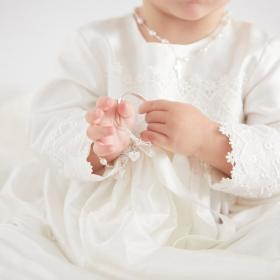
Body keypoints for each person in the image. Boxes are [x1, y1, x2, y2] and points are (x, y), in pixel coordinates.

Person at [1, 0, 280, 279]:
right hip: (109, 220)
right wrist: (100, 143)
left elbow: (274, 153)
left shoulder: (258, 50)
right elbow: (50, 125)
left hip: (224, 220)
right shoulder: (97, 42)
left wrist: (208, 140)